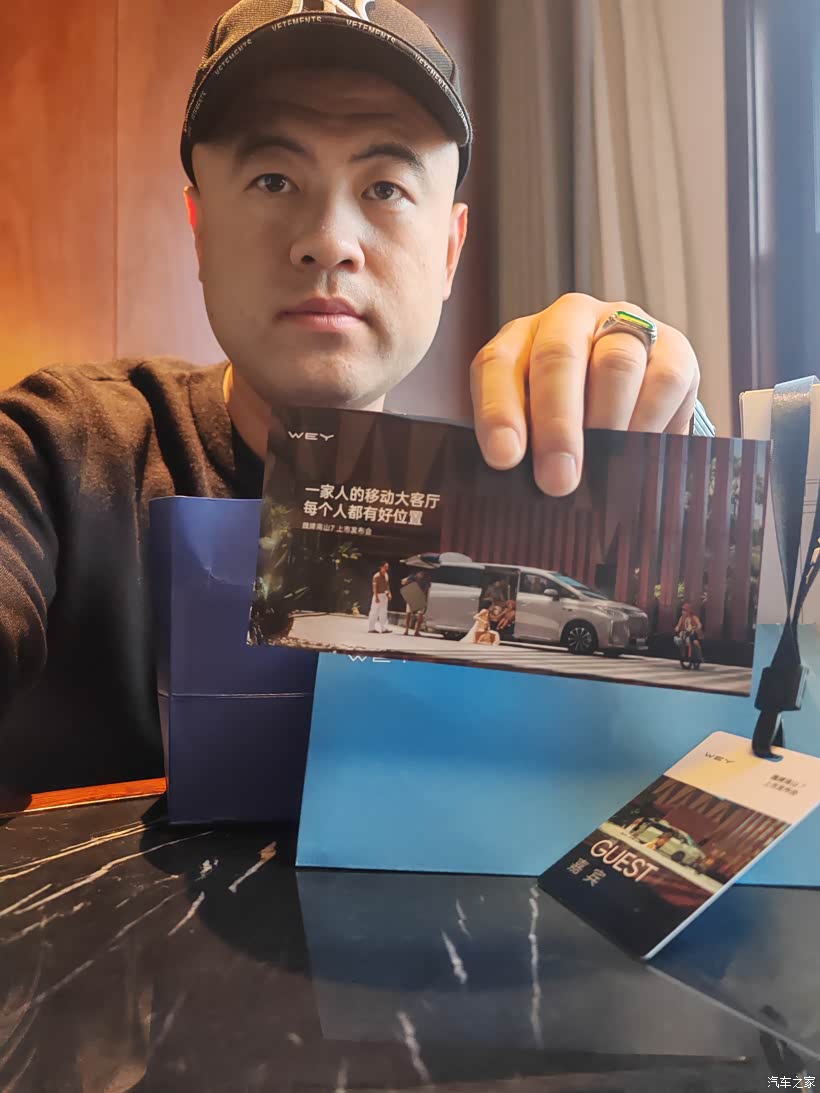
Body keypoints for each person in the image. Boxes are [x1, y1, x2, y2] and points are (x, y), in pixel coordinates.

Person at [0, 0, 709, 792]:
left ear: (449, 249)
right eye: (274, 179)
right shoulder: (60, 452)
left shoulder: (511, 496)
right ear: (199, 227)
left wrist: (658, 429)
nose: (329, 241)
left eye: (385, 187)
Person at [401, 570, 431, 637]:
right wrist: (407, 581)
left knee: (420, 615)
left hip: (420, 598)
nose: (422, 574)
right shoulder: (412, 577)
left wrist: (425, 601)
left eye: (423, 573)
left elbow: (426, 591)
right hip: (411, 598)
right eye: (420, 573)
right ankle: (406, 630)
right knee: (408, 613)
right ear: (417, 573)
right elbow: (402, 582)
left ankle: (416, 631)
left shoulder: (425, 581)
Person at [367, 563, 392, 634]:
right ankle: (371, 628)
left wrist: (389, 593)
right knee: (374, 611)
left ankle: (384, 628)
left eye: (387, 567)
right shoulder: (376, 576)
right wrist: (376, 597)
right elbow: (374, 587)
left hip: (384, 595)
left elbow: (387, 585)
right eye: (385, 567)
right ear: (381, 567)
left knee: (383, 612)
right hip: (378, 595)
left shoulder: (386, 575)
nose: (386, 568)